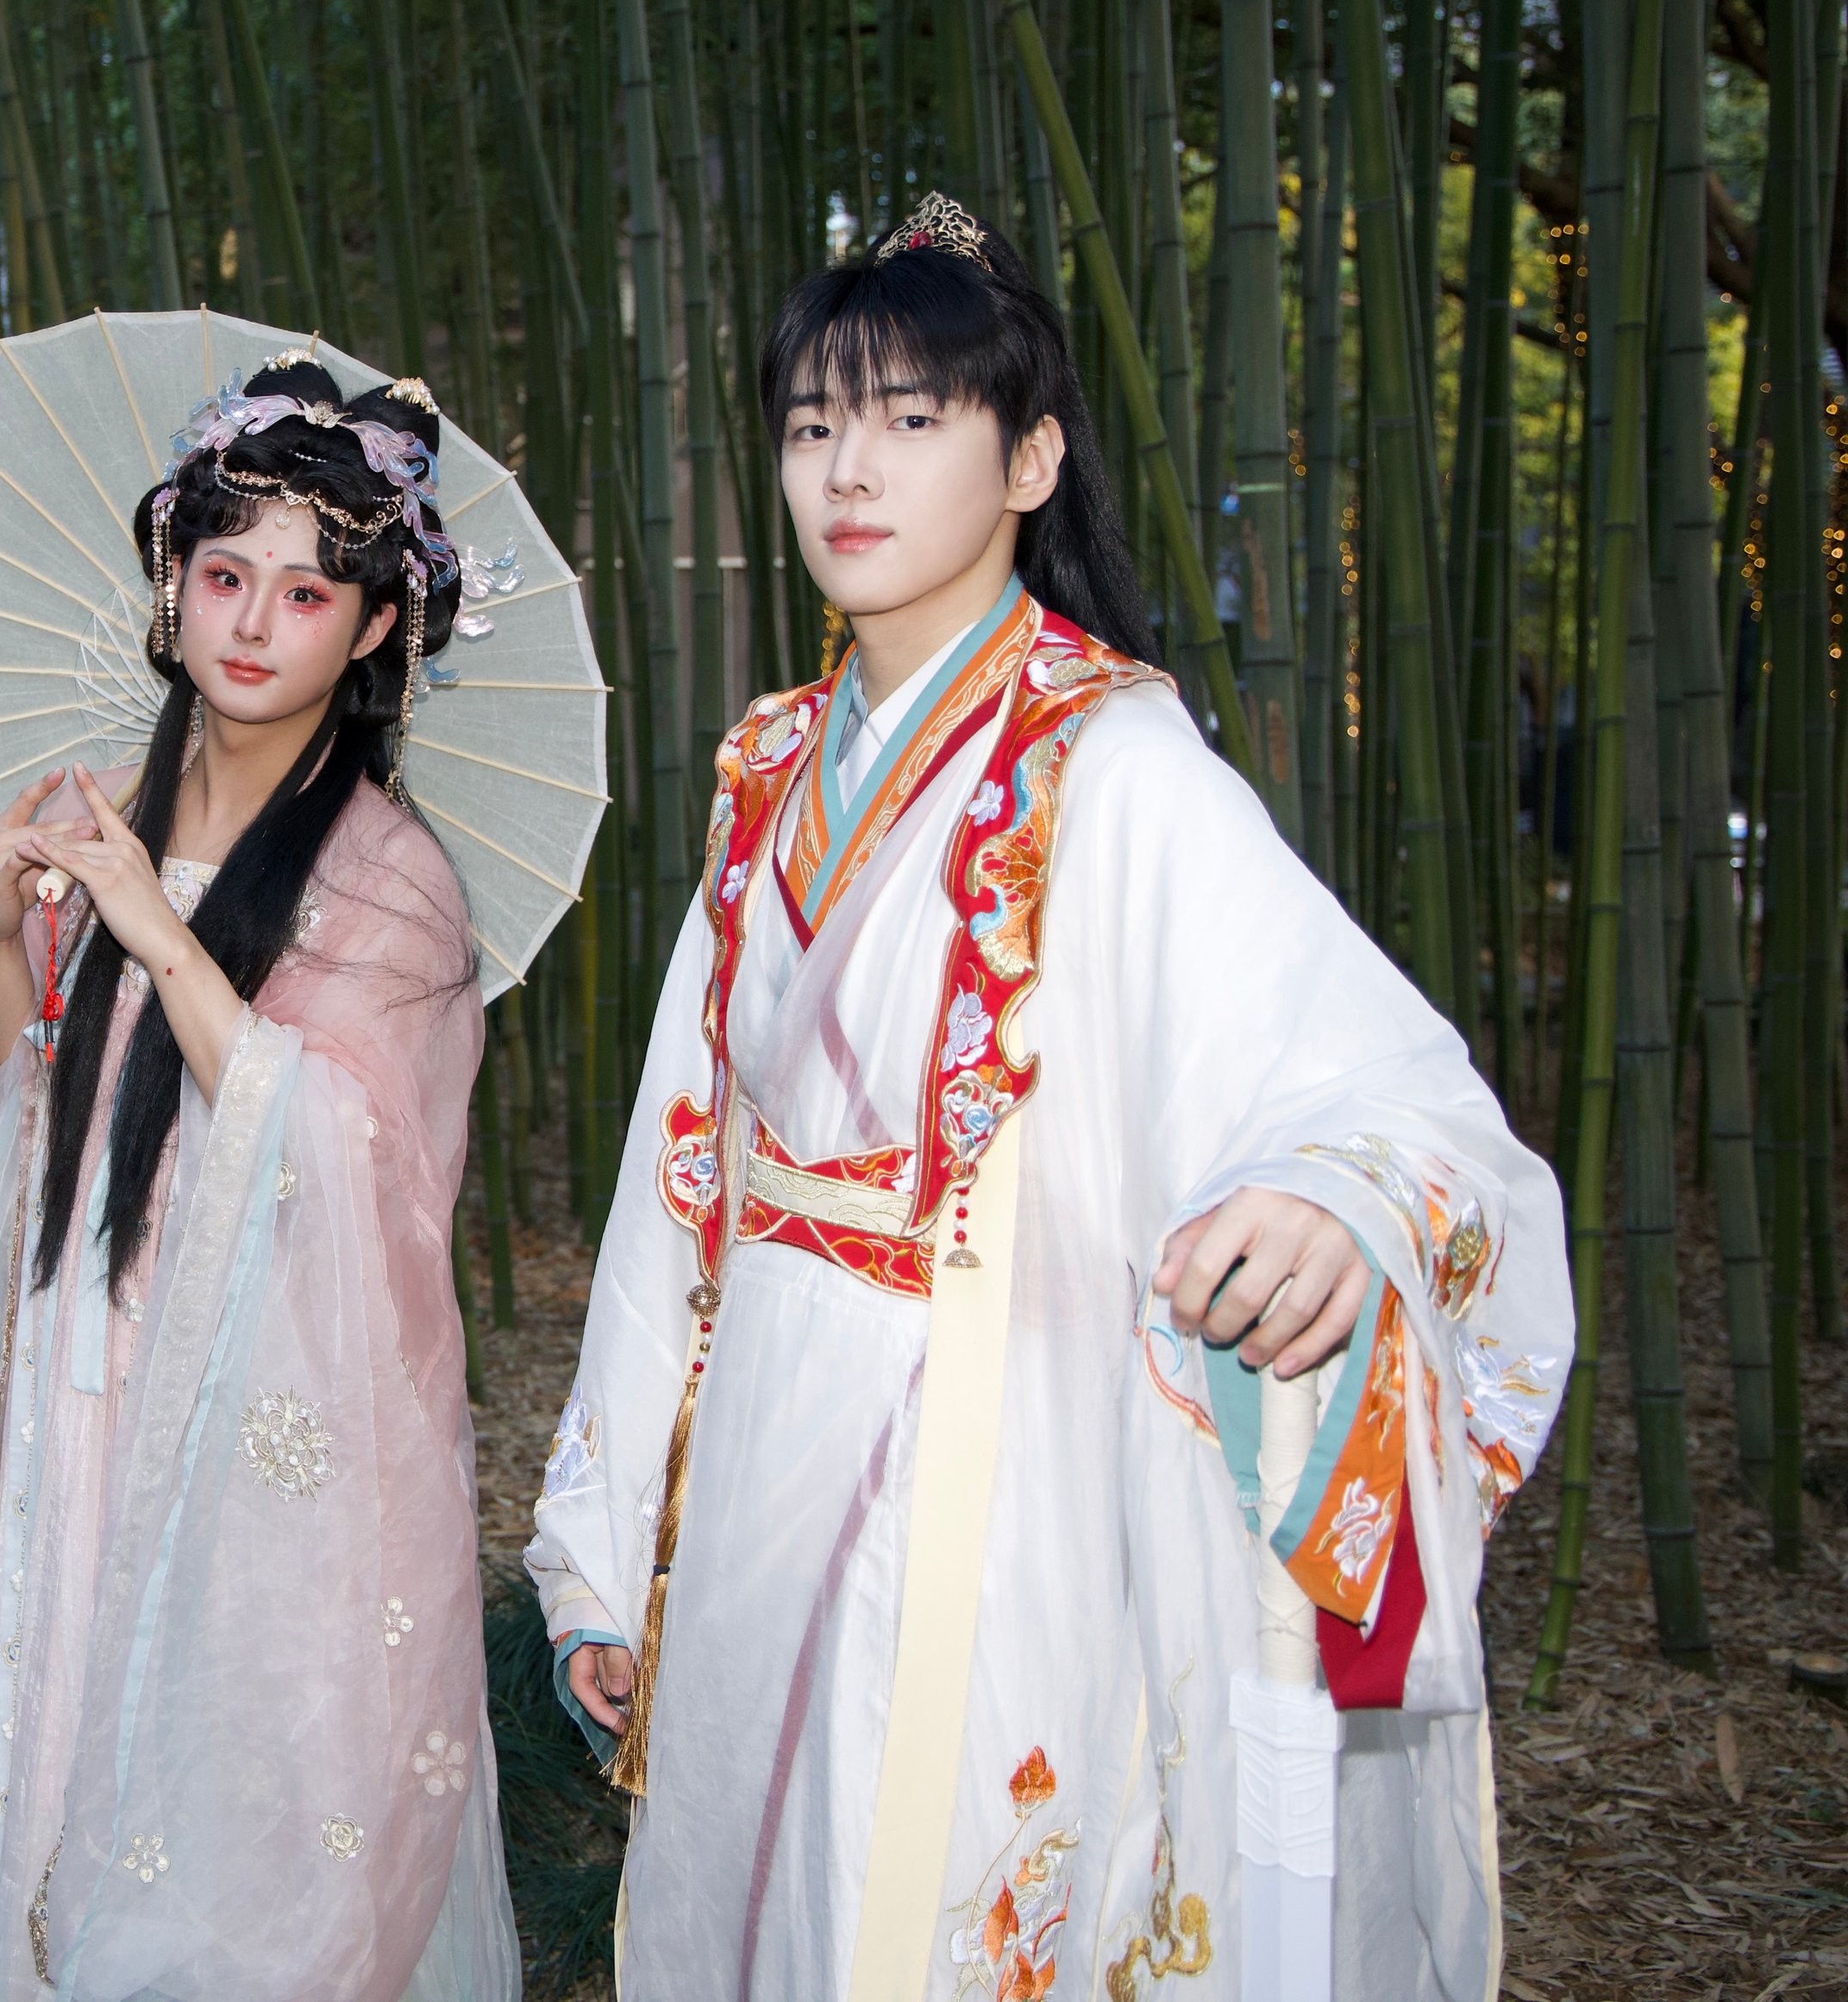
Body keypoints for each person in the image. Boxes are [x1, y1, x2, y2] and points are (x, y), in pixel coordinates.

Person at [526, 196, 1569, 1999]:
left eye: (911, 417)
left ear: (1029, 459)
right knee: (754, 1898)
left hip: (988, 1454)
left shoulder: (1113, 759)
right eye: (810, 423)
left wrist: (1332, 1198)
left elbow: (1385, 1088)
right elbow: (678, 1167)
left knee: (923, 1893)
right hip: (759, 1433)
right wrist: (608, 1550)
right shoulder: (768, 767)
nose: (848, 468)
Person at [0, 359, 523, 2002]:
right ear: (170, 584)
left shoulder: (392, 883)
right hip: (63, 1376)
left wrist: (157, 931)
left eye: (309, 591)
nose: (255, 622)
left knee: (194, 1779)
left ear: (376, 627)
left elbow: (352, 1180)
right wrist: (5, 929)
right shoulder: (110, 817)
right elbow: (29, 1103)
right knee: (31, 1722)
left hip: (225, 1414)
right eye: (224, 574)